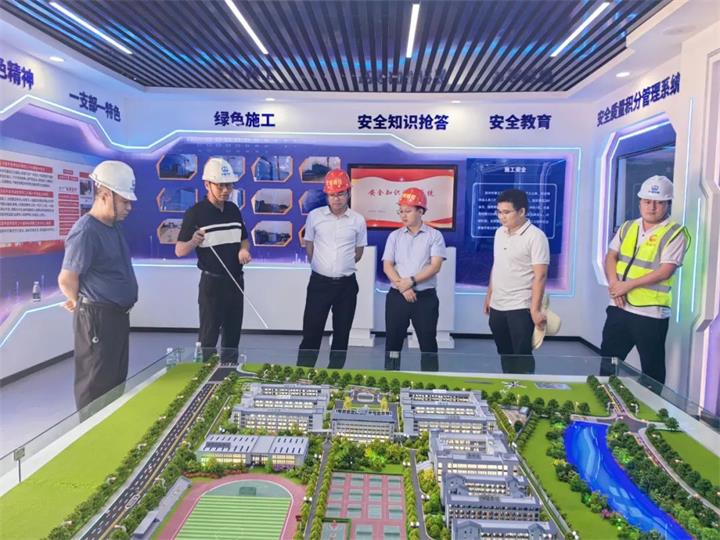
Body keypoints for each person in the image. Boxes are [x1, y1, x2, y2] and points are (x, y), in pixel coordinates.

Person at [58, 160, 138, 411]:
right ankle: (91, 430)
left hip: (116, 317)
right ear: (105, 196)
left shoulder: (113, 227)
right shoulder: (86, 231)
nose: (129, 207)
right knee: (96, 384)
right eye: (124, 201)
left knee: (114, 381)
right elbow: (67, 279)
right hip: (97, 319)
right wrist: (80, 302)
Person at [601, 175, 689, 385]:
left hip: (650, 313)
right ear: (640, 202)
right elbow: (610, 256)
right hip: (619, 307)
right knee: (607, 362)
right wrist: (614, 286)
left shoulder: (675, 233)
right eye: (647, 201)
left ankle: (652, 405)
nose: (652, 207)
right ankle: (605, 400)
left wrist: (625, 286)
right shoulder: (628, 226)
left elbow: (665, 271)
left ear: (667, 204)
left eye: (658, 203)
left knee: (652, 371)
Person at [176, 157, 251, 363]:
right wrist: (193, 241)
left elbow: (244, 239)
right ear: (207, 184)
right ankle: (205, 374)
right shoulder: (195, 213)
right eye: (220, 185)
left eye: (229, 185)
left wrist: (243, 251)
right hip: (212, 283)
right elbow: (180, 250)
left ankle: (229, 372)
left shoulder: (233, 210)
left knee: (233, 334)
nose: (226, 190)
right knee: (209, 335)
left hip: (236, 281)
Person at [297, 169, 367, 368]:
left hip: (346, 286)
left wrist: (340, 266)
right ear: (326, 195)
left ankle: (335, 376)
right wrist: (323, 267)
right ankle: (303, 374)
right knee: (311, 331)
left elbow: (358, 252)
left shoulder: (358, 220)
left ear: (349, 193)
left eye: (341, 194)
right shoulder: (315, 216)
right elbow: (309, 247)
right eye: (332, 194)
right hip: (319, 284)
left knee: (342, 334)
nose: (336, 199)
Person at [484, 188, 550, 374]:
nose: (501, 217)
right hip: (498, 304)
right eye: (499, 212)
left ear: (522, 211)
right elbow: (497, 265)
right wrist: (489, 295)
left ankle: (524, 387)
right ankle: (509, 384)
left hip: (521, 305)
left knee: (521, 354)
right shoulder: (499, 233)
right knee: (504, 352)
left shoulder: (536, 237)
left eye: (506, 212)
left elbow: (540, 276)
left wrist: (535, 310)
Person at [383, 188, 446, 364]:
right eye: (401, 211)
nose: (403, 215)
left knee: (428, 343)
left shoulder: (434, 235)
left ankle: (430, 379)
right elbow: (387, 266)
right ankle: (391, 378)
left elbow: (435, 266)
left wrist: (410, 281)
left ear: (421, 211)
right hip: (398, 296)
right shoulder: (394, 236)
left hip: (425, 298)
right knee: (393, 344)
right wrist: (402, 287)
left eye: (408, 211)